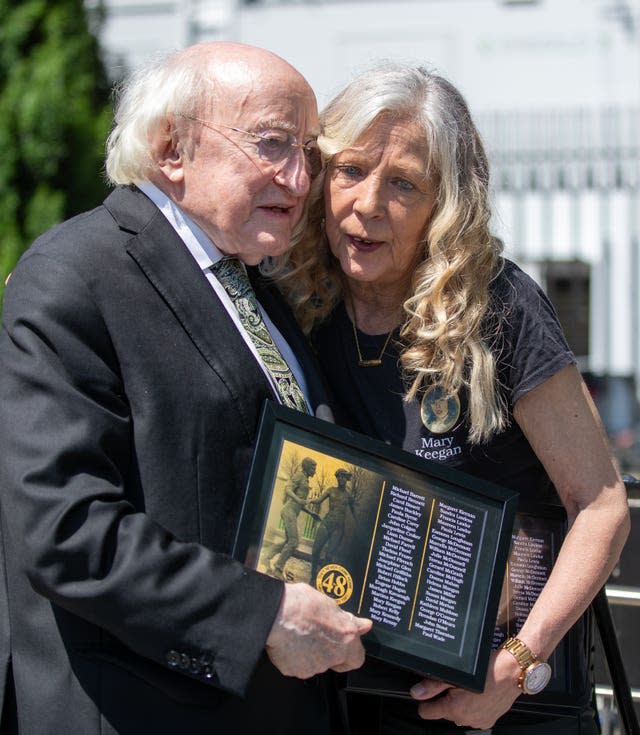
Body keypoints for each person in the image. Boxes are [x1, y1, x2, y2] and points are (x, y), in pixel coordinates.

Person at [0, 42, 372, 735]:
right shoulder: (75, 276)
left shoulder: (256, 284)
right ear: (173, 148)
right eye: (272, 145)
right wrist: (261, 614)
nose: (299, 180)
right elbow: (66, 530)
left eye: (309, 154)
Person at [267, 63, 630, 734]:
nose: (367, 204)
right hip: (359, 700)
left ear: (446, 202)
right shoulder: (301, 303)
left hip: (502, 710)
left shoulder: (501, 309)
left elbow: (602, 506)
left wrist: (518, 662)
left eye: (402, 182)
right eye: (349, 170)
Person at [267, 456, 318, 578]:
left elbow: (300, 503)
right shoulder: (299, 476)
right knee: (294, 542)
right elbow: (288, 489)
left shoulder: (305, 480)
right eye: (313, 468)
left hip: (292, 512)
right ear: (306, 467)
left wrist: (312, 513)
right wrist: (298, 499)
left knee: (288, 541)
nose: (314, 471)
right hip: (288, 511)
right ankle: (278, 568)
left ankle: (266, 556)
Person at [310, 469, 355, 583]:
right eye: (339, 477)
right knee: (315, 550)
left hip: (338, 528)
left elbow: (355, 513)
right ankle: (313, 574)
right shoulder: (331, 490)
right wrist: (306, 500)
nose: (341, 479)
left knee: (329, 556)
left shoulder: (349, 496)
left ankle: (320, 578)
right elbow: (318, 500)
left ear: (347, 479)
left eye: (343, 477)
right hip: (326, 523)